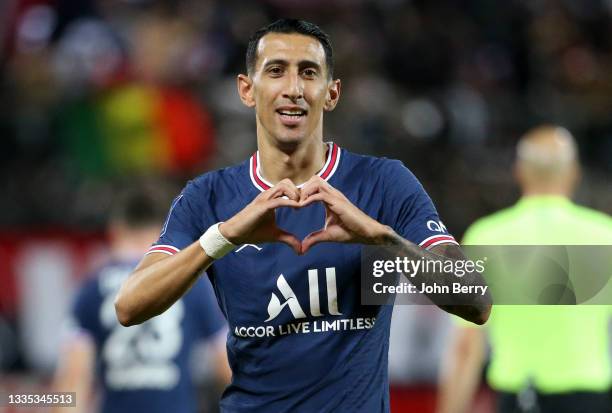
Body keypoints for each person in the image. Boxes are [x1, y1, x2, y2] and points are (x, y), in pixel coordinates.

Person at [115, 19, 491, 413]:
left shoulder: (383, 183)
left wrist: (383, 240)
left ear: (331, 93)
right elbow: (130, 305)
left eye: (308, 73)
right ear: (247, 89)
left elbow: (477, 302)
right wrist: (222, 238)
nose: (293, 89)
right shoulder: (208, 198)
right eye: (276, 71)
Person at [436, 126, 612, 413]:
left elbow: (467, 347)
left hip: (518, 400)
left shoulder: (486, 236)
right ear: (574, 173)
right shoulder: (605, 235)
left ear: (519, 171)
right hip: (590, 399)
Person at [52, 187, 231, 413]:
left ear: (115, 230)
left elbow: (74, 378)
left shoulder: (91, 289)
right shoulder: (192, 285)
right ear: (164, 231)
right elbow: (227, 367)